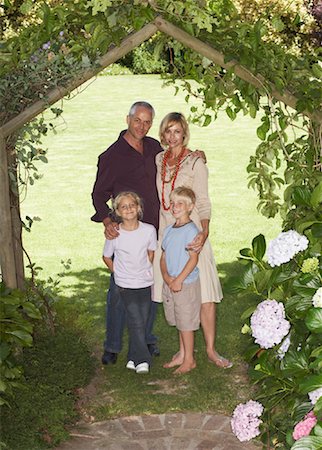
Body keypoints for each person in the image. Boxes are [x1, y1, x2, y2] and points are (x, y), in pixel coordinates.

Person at [154, 112, 233, 369]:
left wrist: (204, 233)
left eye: (177, 131)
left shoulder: (195, 162)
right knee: (178, 291)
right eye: (168, 131)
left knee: (205, 294)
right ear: (163, 134)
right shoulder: (159, 160)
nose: (172, 136)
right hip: (169, 232)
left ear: (184, 133)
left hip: (193, 232)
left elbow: (204, 202)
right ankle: (183, 351)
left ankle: (210, 350)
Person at [91, 101, 161, 364]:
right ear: (128, 119)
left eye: (147, 121)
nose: (142, 126)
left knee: (149, 287)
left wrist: (195, 155)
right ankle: (112, 345)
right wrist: (109, 222)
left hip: (153, 231)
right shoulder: (112, 156)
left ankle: (147, 339)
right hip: (126, 232)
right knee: (119, 290)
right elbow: (99, 194)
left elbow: (172, 164)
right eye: (137, 120)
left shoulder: (154, 147)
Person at [103, 192, 157, 374]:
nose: (128, 209)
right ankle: (143, 359)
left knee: (141, 319)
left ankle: (132, 357)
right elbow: (106, 256)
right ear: (117, 212)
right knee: (135, 319)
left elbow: (151, 251)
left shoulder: (149, 230)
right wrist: (117, 272)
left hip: (144, 281)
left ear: (139, 207)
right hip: (125, 284)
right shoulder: (115, 233)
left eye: (132, 205)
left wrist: (147, 267)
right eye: (123, 207)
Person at [160, 187, 201, 374]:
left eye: (180, 204)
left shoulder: (191, 230)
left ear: (190, 206)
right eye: (173, 203)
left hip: (185, 284)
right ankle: (182, 354)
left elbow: (193, 259)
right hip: (171, 282)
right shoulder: (169, 229)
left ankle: (190, 360)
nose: (175, 207)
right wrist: (167, 277)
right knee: (178, 319)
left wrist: (179, 280)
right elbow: (163, 257)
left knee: (186, 322)